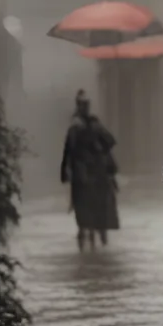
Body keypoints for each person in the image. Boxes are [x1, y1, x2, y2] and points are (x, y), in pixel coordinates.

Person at [60, 90, 120, 250]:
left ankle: (97, 245)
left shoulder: (92, 124)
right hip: (84, 175)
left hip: (94, 174)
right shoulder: (77, 126)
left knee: (96, 213)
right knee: (85, 216)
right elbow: (69, 151)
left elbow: (109, 142)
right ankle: (91, 245)